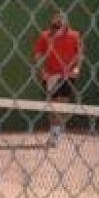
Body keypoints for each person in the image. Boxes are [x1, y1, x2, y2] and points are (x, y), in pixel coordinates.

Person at [33, 10, 82, 147]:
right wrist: (43, 71)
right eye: (54, 24)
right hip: (51, 76)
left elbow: (79, 55)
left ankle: (56, 132)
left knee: (62, 103)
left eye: (59, 24)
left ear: (65, 24)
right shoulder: (45, 36)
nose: (56, 27)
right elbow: (37, 55)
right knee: (53, 104)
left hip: (67, 75)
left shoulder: (75, 36)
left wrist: (76, 69)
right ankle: (55, 130)